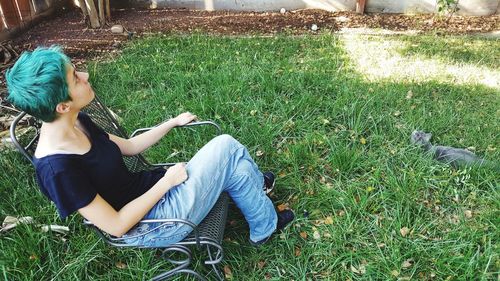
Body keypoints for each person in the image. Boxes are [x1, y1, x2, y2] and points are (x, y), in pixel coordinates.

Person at [5, 46, 294, 247]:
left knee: (235, 166)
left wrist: (171, 123)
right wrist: (167, 183)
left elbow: (129, 146)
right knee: (226, 146)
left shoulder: (77, 121)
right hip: (155, 223)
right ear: (62, 105)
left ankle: (264, 228)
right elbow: (117, 226)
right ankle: (259, 192)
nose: (86, 75)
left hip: (155, 193)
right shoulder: (58, 170)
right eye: (75, 78)